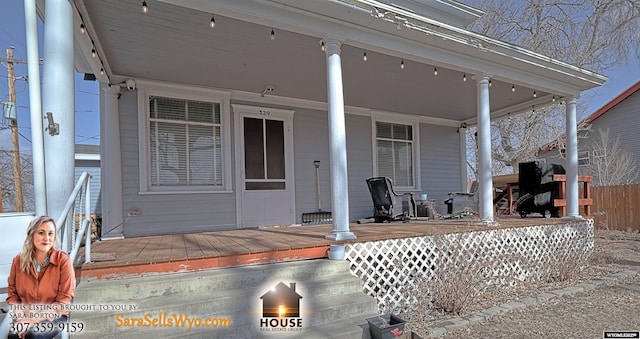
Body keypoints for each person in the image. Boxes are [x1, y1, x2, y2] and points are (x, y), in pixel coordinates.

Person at [6, 216, 76, 339]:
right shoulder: (18, 261)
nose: (46, 238)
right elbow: (12, 294)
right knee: (13, 336)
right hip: (26, 314)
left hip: (55, 316)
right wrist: (22, 317)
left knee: (34, 334)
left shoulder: (63, 261)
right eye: (41, 233)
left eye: (50, 233)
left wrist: (32, 320)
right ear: (31, 235)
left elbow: (64, 300)